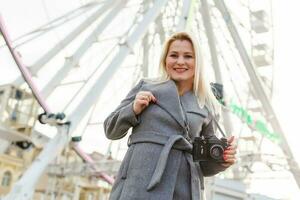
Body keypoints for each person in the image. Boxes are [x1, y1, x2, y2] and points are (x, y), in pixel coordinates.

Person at [104, 31, 237, 200]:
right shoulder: (146, 86)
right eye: (174, 55)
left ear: (198, 62)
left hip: (184, 189)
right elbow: (110, 129)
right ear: (165, 60)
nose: (180, 62)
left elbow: (203, 165)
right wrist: (133, 109)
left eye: (188, 56)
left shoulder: (207, 104)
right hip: (138, 183)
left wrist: (222, 160)